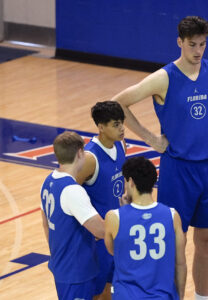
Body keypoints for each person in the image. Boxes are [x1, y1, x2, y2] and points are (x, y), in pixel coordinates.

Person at [113, 16, 208, 299]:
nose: (198, 51)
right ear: (180, 43)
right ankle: (170, 295)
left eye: (203, 44)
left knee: (206, 240)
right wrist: (149, 137)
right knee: (175, 242)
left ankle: (202, 296)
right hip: (178, 170)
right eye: (193, 44)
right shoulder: (164, 77)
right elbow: (118, 103)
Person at [104, 156, 187, 299]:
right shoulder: (173, 216)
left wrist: (125, 210)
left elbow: (113, 250)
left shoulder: (113, 217)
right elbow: (180, 264)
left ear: (130, 182)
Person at [40, 131, 105, 300]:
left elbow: (45, 222)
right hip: (77, 272)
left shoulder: (48, 181)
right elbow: (100, 231)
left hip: (62, 266)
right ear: (80, 153)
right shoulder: (73, 190)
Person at [76, 100, 126, 300]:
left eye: (122, 122)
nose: (122, 128)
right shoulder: (90, 158)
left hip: (117, 233)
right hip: (97, 241)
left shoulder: (121, 144)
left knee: (110, 291)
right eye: (115, 124)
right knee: (95, 295)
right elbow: (70, 194)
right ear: (101, 127)